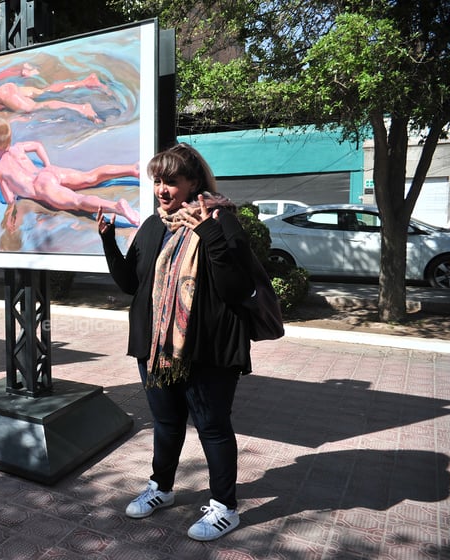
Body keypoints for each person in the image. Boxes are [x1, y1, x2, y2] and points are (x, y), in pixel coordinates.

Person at [97, 143, 257, 541]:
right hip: (157, 348)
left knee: (213, 427)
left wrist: (207, 229)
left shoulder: (222, 219)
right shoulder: (155, 226)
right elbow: (131, 285)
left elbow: (237, 287)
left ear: (193, 183)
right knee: (166, 424)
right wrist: (108, 241)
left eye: (172, 181)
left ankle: (225, 508)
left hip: (208, 349)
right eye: (157, 181)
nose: (162, 190)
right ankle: (162, 489)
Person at [0, 118, 140, 226]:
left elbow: (9, 199)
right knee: (90, 176)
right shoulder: (18, 147)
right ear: (9, 139)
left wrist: (12, 209)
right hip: (49, 172)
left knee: (77, 200)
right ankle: (132, 169)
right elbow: (37, 146)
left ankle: (116, 207)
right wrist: (47, 165)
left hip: (41, 186)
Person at [0, 68, 107, 125]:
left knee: (35, 107)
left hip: (4, 94)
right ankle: (86, 81)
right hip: (6, 91)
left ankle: (81, 108)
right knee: (44, 91)